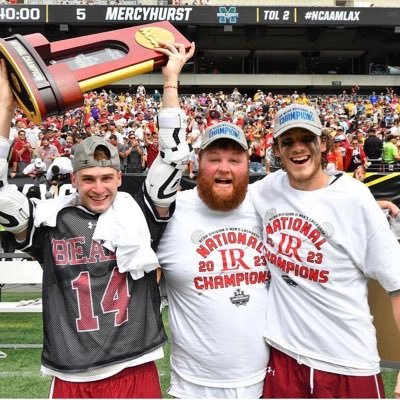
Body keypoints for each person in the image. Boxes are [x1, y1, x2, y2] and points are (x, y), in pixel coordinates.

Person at [0, 41, 195, 399]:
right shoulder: (51, 221)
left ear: (119, 179)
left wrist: (169, 81)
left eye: (107, 178)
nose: (99, 188)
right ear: (73, 180)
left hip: (135, 365)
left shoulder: (140, 216)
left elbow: (173, 157)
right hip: (72, 374)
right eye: (88, 179)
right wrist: (6, 105)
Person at [249, 103, 400, 398]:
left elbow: (397, 287)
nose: (298, 148)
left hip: (348, 363)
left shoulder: (355, 200)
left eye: (306, 138)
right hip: (285, 357)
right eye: (287, 141)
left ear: (323, 143)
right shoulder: (266, 190)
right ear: (276, 149)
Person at [157, 121, 269, 399]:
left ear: (247, 164)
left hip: (265, 380)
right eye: (214, 159)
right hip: (194, 386)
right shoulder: (170, 212)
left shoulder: (266, 204)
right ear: (198, 162)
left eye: (235, 160)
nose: (224, 167)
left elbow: (316, 203)